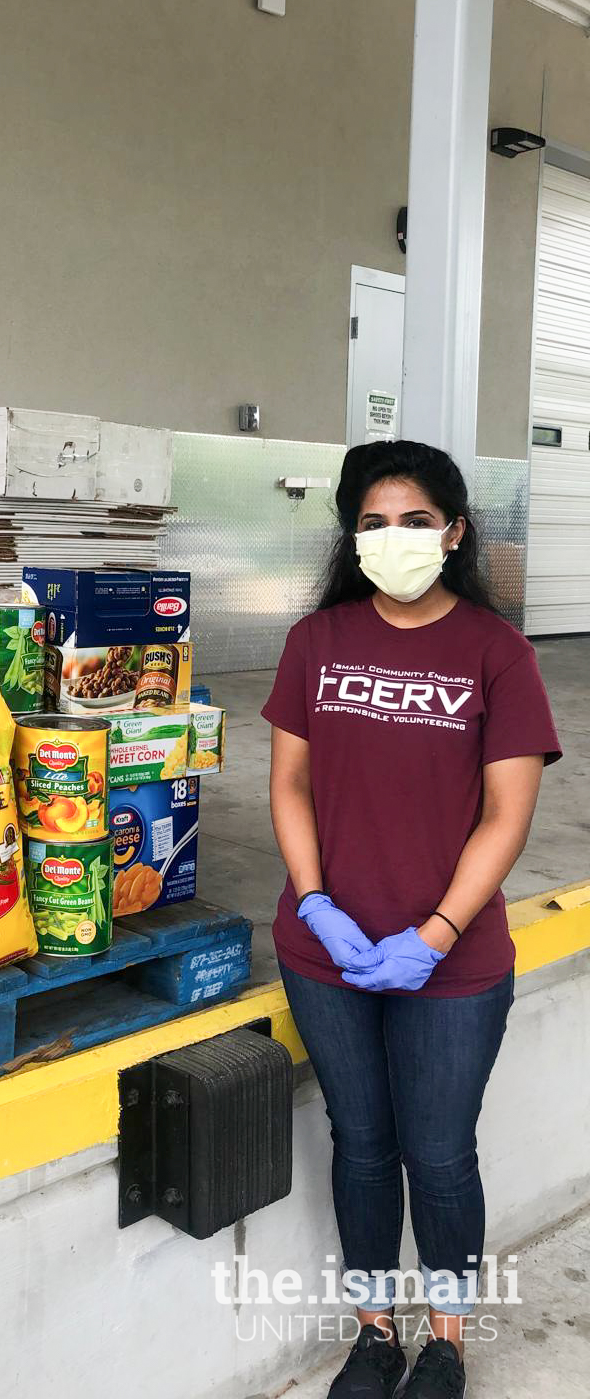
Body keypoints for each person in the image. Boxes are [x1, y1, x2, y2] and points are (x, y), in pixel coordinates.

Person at [261, 440, 560, 1399]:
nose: (395, 539)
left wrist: (435, 933)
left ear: (455, 530)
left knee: (437, 1155)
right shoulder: (318, 641)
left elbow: (507, 816)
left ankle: (446, 1341)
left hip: (455, 963)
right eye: (375, 523)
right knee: (360, 1145)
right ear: (352, 536)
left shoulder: (495, 651)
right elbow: (290, 785)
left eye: (417, 521)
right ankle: (374, 1333)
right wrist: (312, 900)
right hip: (326, 951)